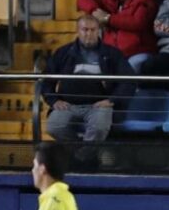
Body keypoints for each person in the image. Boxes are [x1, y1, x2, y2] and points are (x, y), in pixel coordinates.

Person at [41, 15, 135, 152]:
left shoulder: (112, 53)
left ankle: (81, 158)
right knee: (54, 127)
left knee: (99, 129)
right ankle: (82, 152)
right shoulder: (63, 52)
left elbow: (129, 81)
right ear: (77, 31)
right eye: (85, 29)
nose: (89, 34)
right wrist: (54, 100)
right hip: (68, 104)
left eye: (93, 30)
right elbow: (47, 79)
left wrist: (111, 100)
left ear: (99, 31)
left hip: (99, 105)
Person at [77, 0, 159, 73]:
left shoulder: (146, 0)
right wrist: (94, 11)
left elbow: (137, 22)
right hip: (112, 53)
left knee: (129, 69)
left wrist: (108, 18)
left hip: (138, 52)